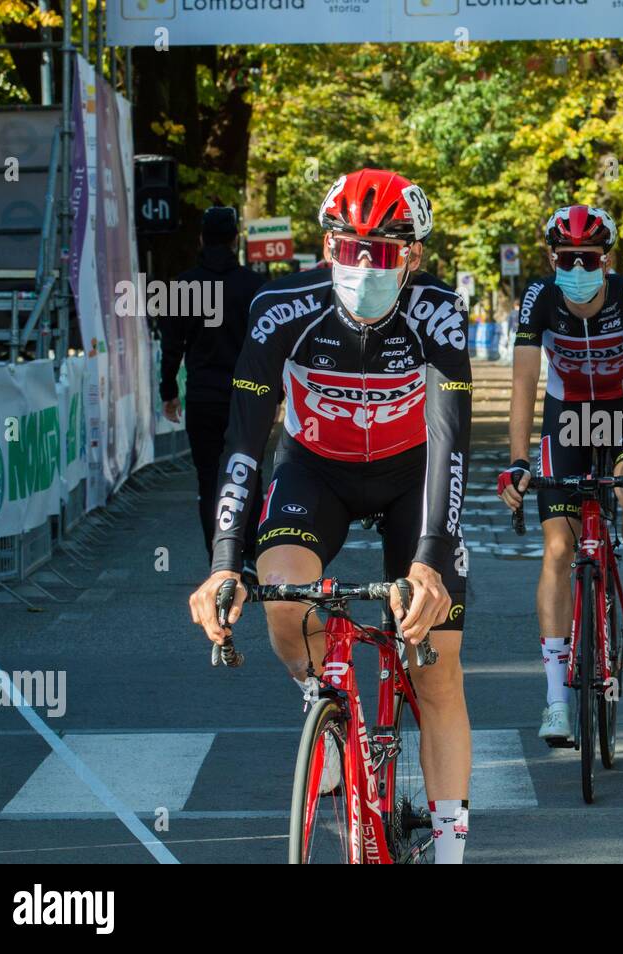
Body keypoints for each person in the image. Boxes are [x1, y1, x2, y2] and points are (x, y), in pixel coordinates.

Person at [186, 169, 474, 864]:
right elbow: (244, 440)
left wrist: (431, 559)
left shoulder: (437, 309)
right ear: (326, 247)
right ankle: (329, 708)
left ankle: (452, 849)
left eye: (385, 252)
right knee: (285, 606)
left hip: (414, 480)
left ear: (415, 255)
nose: (367, 267)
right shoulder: (282, 303)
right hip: (316, 472)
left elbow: (451, 442)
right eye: (350, 250)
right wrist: (224, 561)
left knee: (437, 667)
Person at [496, 205, 623, 745]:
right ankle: (556, 698)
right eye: (566, 257)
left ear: (606, 260)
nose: (577, 266)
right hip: (565, 417)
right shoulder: (540, 298)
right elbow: (525, 381)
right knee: (557, 550)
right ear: (552, 258)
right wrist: (517, 459)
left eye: (588, 257)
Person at [159, 206, 267, 568]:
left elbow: (170, 346)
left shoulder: (182, 285)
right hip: (247, 397)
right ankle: (248, 552)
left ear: (202, 238)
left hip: (203, 395)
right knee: (248, 472)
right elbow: (268, 347)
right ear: (236, 239)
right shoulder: (255, 288)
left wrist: (168, 391)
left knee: (209, 479)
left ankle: (218, 558)